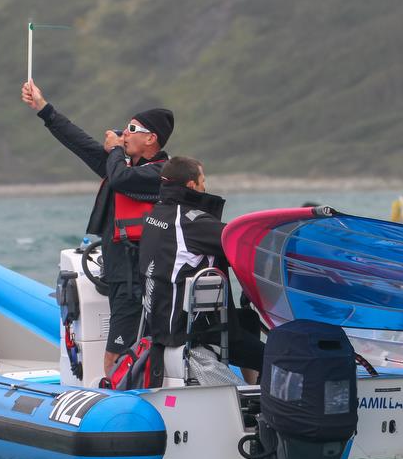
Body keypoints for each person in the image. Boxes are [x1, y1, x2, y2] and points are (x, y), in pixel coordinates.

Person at [21, 79, 174, 376]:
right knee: (123, 348)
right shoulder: (123, 166)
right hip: (119, 274)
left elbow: (119, 179)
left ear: (151, 139)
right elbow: (82, 145)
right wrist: (44, 109)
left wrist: (116, 149)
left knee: (115, 354)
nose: (123, 134)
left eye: (131, 130)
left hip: (138, 278)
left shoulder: (159, 172)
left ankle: (120, 406)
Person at [139, 156, 264, 387]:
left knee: (249, 319)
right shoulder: (192, 222)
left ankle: (253, 386)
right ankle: (268, 404)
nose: (205, 187)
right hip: (193, 330)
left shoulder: (156, 214)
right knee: (275, 359)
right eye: (202, 181)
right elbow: (243, 244)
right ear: (191, 186)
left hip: (160, 322)